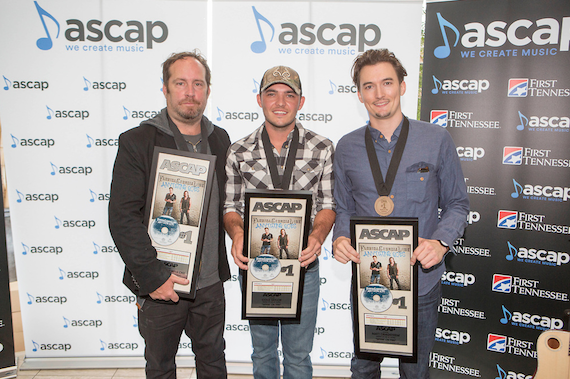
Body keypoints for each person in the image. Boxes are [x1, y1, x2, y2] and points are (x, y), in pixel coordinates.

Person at [332, 49, 469, 378]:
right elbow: (344, 206)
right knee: (363, 369)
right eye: (369, 86)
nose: (379, 94)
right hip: (370, 283)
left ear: (403, 86)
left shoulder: (436, 139)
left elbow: (457, 204)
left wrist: (441, 242)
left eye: (387, 83)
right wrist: (339, 237)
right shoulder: (347, 147)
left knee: (415, 373)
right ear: (360, 94)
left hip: (421, 283)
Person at [108, 51, 231, 379]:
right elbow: (122, 216)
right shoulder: (138, 140)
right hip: (162, 285)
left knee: (214, 364)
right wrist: (152, 277)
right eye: (181, 83)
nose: (190, 91)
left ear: (207, 90)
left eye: (198, 83)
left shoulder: (220, 139)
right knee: (161, 368)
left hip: (209, 286)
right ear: (165, 89)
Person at [224, 65, 336, 379]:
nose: (280, 102)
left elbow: (328, 204)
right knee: (262, 353)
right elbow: (230, 207)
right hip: (255, 266)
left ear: (301, 102)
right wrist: (236, 233)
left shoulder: (322, 148)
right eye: (272, 94)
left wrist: (318, 236)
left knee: (298, 357)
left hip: (303, 266)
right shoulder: (239, 151)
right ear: (259, 99)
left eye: (290, 95)